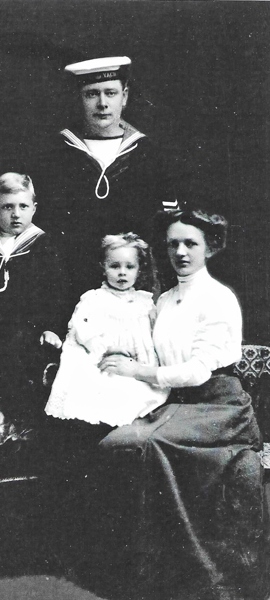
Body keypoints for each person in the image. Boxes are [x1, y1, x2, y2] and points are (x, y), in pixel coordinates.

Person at [98, 209, 263, 600]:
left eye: (191, 243)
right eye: (173, 244)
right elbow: (153, 355)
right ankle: (145, 570)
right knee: (114, 441)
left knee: (147, 446)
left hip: (220, 408)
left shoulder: (219, 298)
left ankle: (196, 576)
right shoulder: (165, 298)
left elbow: (198, 372)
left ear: (211, 248)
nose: (181, 252)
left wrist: (138, 371)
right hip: (175, 403)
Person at [35, 56, 174, 310]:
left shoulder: (149, 154)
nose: (102, 103)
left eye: (110, 93)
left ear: (125, 96)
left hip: (133, 283)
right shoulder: (56, 154)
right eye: (91, 94)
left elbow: (164, 226)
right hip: (70, 280)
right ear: (79, 98)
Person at [0, 173, 65, 448]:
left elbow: (55, 292)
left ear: (34, 207)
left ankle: (17, 420)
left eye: (23, 207)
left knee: (18, 350)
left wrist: (51, 326)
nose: (16, 214)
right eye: (7, 207)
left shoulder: (42, 245)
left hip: (30, 325)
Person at [44, 233, 169, 428]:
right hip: (101, 361)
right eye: (114, 266)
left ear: (138, 270)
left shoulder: (144, 302)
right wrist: (106, 348)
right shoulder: (94, 299)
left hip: (135, 363)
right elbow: (82, 329)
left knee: (138, 393)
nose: (122, 273)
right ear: (103, 268)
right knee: (100, 390)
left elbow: (152, 335)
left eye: (129, 267)